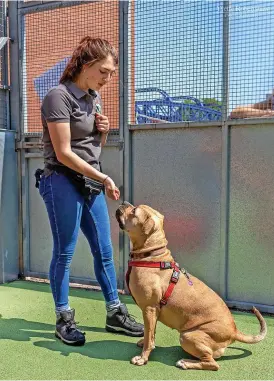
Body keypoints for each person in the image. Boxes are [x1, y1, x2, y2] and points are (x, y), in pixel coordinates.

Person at [38, 36, 144, 346]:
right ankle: (63, 318)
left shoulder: (92, 97)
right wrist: (105, 177)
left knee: (105, 251)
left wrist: (103, 133)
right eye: (104, 71)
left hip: (89, 182)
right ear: (86, 65)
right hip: (61, 180)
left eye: (111, 73)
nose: (108, 79)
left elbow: (90, 151)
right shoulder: (58, 97)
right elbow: (63, 153)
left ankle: (114, 313)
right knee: (65, 252)